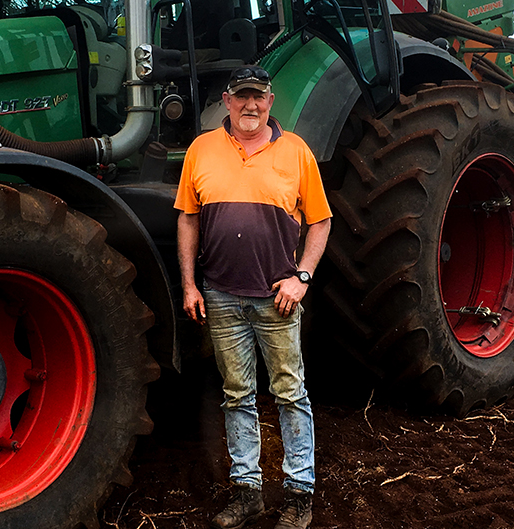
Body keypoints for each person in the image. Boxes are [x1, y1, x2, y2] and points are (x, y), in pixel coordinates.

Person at [174, 66, 332, 529]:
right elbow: (188, 218)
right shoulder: (201, 149)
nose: (251, 106)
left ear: (271, 100)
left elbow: (320, 222)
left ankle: (299, 493)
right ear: (226, 100)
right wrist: (189, 285)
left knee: (289, 392)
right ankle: (247, 491)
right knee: (237, 394)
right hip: (220, 296)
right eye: (242, 97)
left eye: (258, 98)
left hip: (276, 297)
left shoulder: (296, 151)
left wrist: (301, 277)